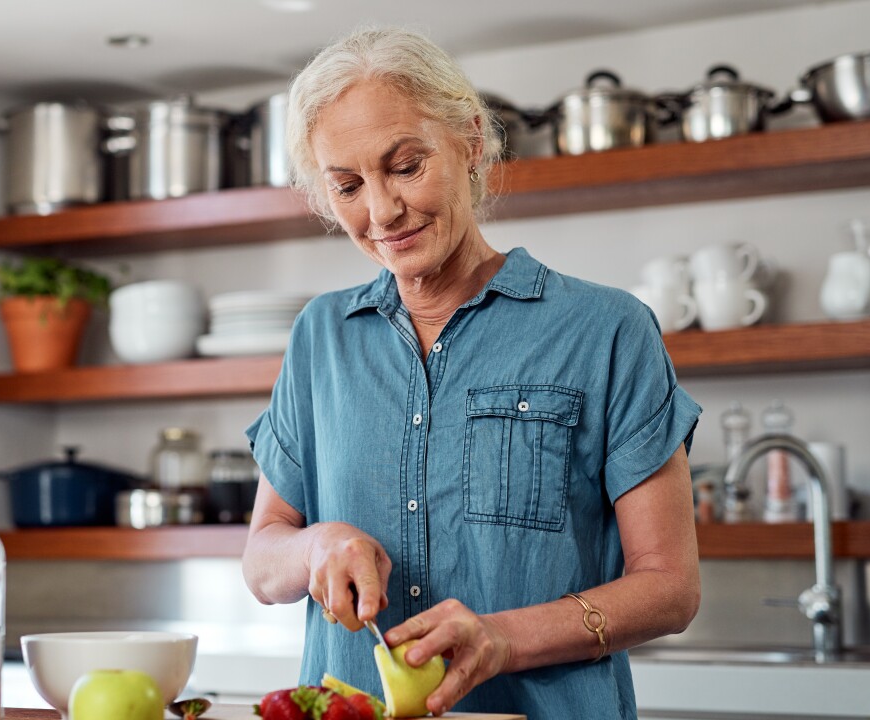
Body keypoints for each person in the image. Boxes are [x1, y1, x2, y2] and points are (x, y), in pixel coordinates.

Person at [241, 27, 702, 720]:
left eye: (405, 166)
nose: (382, 211)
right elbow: (262, 562)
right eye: (347, 185)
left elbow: (670, 587)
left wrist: (502, 638)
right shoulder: (320, 337)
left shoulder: (607, 330)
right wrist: (315, 546)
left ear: (471, 141)